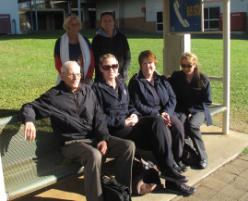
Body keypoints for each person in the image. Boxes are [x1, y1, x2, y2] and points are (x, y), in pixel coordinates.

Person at [20, 61, 135, 201]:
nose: (76, 77)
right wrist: (29, 121)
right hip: (71, 144)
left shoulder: (88, 91)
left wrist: (103, 138)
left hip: (93, 139)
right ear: (62, 75)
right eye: (71, 74)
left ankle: (121, 195)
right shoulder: (53, 96)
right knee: (94, 155)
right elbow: (29, 106)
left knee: (128, 146)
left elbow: (99, 117)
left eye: (78, 74)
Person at [92, 53, 195, 196]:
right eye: (107, 67)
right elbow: (99, 118)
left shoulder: (121, 83)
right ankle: (171, 174)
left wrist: (134, 114)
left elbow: (130, 105)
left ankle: (169, 171)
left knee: (159, 123)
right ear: (101, 69)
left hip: (132, 125)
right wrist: (123, 121)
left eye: (114, 66)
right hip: (117, 130)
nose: (111, 70)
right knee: (160, 140)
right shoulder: (96, 89)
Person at [128, 50, 186, 173]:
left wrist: (167, 113)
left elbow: (172, 98)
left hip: (166, 113)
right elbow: (138, 105)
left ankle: (177, 159)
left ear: (155, 64)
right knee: (165, 132)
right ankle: (169, 163)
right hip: (150, 117)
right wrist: (158, 115)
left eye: (150, 62)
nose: (148, 66)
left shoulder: (161, 79)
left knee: (178, 128)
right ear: (140, 65)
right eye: (145, 63)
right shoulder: (136, 82)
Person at [169, 52, 212, 169]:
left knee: (192, 125)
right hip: (183, 108)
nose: (186, 68)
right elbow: (167, 85)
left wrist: (192, 111)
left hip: (200, 109)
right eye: (183, 66)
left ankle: (203, 156)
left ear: (195, 65)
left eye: (189, 66)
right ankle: (187, 153)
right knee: (178, 124)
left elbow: (207, 101)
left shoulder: (203, 79)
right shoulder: (177, 76)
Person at [54, 15, 95, 83]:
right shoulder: (60, 42)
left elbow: (91, 60)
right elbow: (58, 62)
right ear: (67, 26)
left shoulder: (85, 40)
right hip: (67, 78)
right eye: (72, 24)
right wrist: (66, 76)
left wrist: (89, 76)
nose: (75, 26)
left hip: (84, 78)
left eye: (77, 24)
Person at [92, 11, 131, 81]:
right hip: (103, 76)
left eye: (110, 20)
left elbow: (127, 56)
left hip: (120, 75)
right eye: (105, 21)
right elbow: (96, 60)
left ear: (114, 22)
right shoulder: (96, 39)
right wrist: (107, 72)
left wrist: (124, 71)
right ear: (101, 23)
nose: (107, 23)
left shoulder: (121, 37)